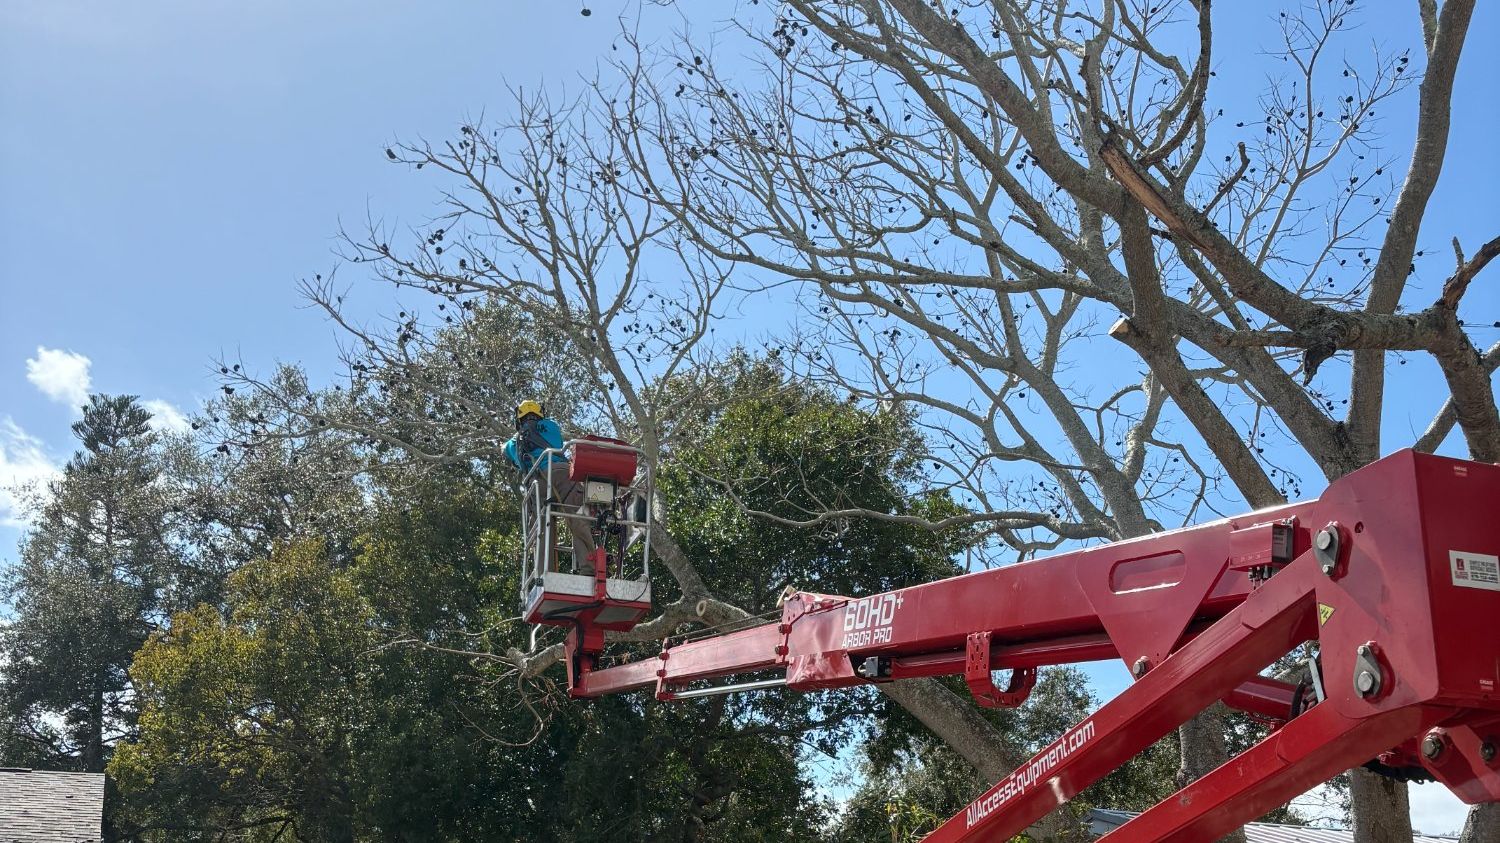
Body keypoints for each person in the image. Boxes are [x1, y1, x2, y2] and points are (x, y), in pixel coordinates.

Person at [505, 400, 597, 576]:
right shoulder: (551, 426)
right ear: (541, 414)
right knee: (576, 517)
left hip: (537, 482)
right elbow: (556, 444)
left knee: (542, 526)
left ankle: (544, 573)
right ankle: (589, 567)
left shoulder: (514, 442)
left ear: (519, 418)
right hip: (562, 472)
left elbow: (506, 452)